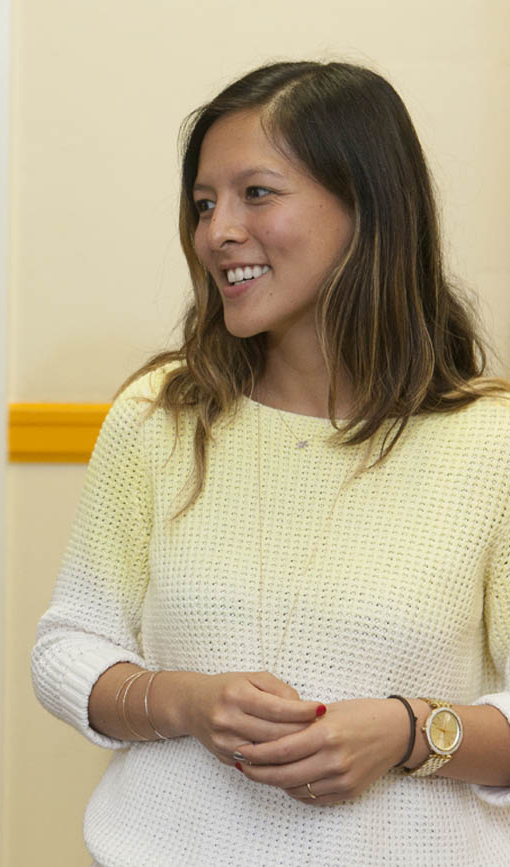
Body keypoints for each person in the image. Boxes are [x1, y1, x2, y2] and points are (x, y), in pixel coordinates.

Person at [31, 60, 510, 865]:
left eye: (255, 193)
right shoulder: (157, 416)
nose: (216, 232)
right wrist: (184, 701)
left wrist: (407, 731)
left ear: (367, 207)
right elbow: (65, 646)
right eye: (203, 203)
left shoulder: (490, 443)